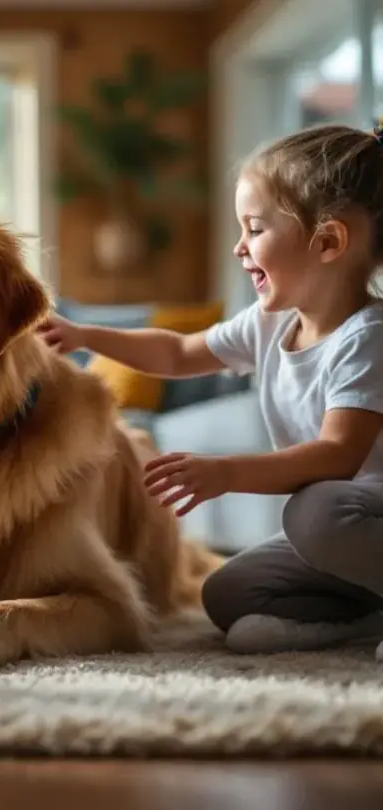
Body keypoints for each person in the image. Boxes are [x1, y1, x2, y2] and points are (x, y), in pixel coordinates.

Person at [40, 123, 383, 658]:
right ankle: (360, 617)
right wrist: (84, 335)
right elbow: (177, 354)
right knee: (227, 592)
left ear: (328, 242)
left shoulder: (368, 339)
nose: (238, 248)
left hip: (356, 516)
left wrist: (226, 473)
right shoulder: (270, 324)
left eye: (255, 229)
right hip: (348, 535)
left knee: (313, 512)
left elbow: (338, 457)